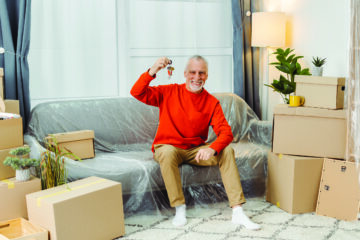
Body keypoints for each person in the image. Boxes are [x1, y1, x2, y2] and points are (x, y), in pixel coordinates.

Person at [130, 55, 260, 230]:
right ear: (185, 73)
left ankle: (237, 212)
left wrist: (213, 149)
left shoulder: (211, 102)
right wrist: (153, 70)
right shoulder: (168, 92)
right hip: (168, 148)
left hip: (195, 151)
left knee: (227, 151)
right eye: (193, 72)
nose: (197, 77)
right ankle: (179, 207)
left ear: (206, 76)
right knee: (168, 152)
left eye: (201, 73)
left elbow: (226, 133)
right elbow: (137, 92)